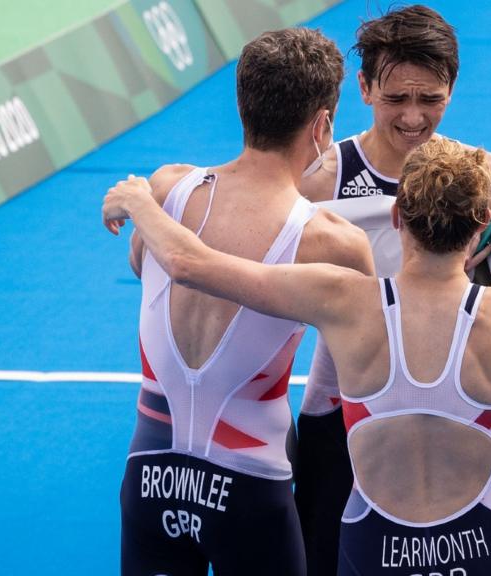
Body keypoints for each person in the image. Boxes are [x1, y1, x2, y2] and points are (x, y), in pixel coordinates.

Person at [103, 138, 491, 576]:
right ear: (477, 234)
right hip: (479, 539)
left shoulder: (340, 300)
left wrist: (139, 202)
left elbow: (191, 263)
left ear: (398, 221)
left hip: (372, 543)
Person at [113, 28, 373, 576]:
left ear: (241, 105)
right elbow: (370, 373)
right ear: (323, 125)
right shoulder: (331, 240)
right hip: (251, 487)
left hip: (149, 476)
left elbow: (144, 268)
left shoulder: (165, 191)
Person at [293, 6, 491, 573]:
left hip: (449, 418)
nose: (413, 117)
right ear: (362, 88)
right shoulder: (322, 178)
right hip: (342, 414)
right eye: (396, 99)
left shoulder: (489, 180)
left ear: (452, 89)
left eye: (429, 98)